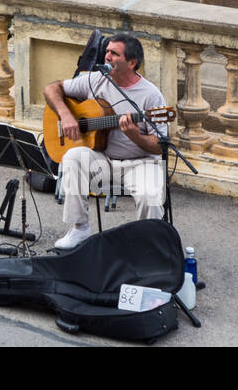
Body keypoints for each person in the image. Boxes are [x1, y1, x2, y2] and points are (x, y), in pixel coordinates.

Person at [42, 34, 168, 251]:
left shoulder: (151, 96)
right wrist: (66, 115)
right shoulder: (95, 79)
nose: (106, 56)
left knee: (149, 195)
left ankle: (148, 246)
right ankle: (79, 228)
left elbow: (160, 146)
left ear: (132, 63)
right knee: (73, 156)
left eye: (114, 53)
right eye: (107, 51)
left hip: (141, 162)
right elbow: (51, 88)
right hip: (103, 159)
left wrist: (135, 135)